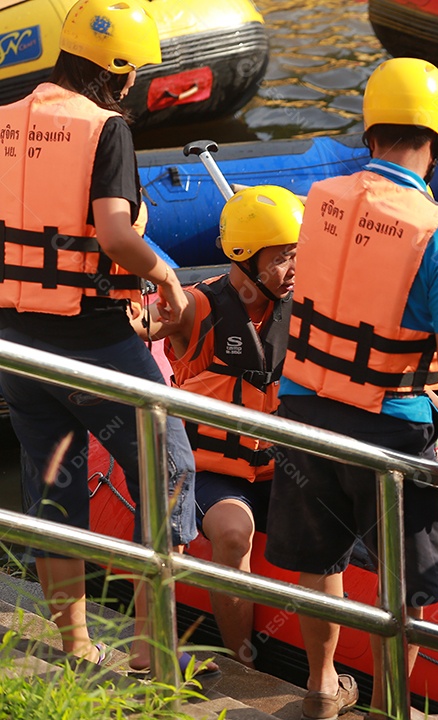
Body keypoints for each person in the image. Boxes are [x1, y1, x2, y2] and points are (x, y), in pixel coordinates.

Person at [264, 58, 438, 720]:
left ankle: (322, 684)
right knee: (406, 585)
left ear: (369, 130)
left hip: (304, 409)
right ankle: (392, 709)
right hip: (390, 424)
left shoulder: (322, 202)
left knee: (320, 557)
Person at [0, 0, 212, 674]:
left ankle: (77, 646)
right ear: (117, 71)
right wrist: (170, 283)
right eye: (135, 73)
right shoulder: (107, 131)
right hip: (91, 345)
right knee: (168, 474)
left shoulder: (5, 121)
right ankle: (155, 657)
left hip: (16, 345)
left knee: (54, 486)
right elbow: (116, 235)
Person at [139, 185, 302, 668]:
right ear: (245, 259)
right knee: (232, 535)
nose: (293, 270)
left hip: (283, 468)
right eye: (282, 259)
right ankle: (241, 663)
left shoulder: (307, 305)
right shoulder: (197, 308)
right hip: (213, 470)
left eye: (298, 256)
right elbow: (140, 323)